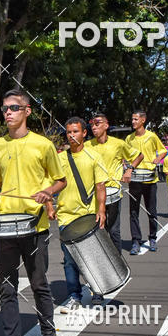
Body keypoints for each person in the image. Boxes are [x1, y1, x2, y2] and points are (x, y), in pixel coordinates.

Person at [0, 88, 66, 336]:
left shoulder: (43, 145)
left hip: (34, 225)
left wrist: (47, 192)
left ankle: (48, 331)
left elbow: (60, 180)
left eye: (14, 107)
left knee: (39, 283)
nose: (8, 113)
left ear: (27, 111)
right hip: (4, 225)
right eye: (5, 109)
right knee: (7, 286)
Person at [57, 117, 106, 312]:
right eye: (69, 132)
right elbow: (51, 184)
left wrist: (101, 210)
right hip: (65, 216)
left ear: (84, 133)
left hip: (88, 215)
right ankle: (74, 296)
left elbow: (100, 186)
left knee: (92, 256)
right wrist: (49, 206)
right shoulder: (60, 158)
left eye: (75, 131)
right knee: (70, 259)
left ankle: (97, 290)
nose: (72, 135)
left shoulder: (94, 156)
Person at [85, 112, 143, 253]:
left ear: (106, 125)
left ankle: (118, 260)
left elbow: (139, 156)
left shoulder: (118, 144)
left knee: (114, 230)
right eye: (92, 124)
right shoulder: (86, 146)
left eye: (97, 123)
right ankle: (103, 261)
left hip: (113, 191)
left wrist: (129, 170)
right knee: (98, 230)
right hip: (95, 194)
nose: (94, 127)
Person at [126, 111, 167, 254]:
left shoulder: (152, 136)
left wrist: (158, 158)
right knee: (133, 212)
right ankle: (135, 241)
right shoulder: (129, 138)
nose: (133, 121)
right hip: (135, 179)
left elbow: (163, 151)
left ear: (143, 120)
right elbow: (125, 155)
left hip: (150, 179)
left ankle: (153, 238)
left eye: (135, 119)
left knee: (151, 211)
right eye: (132, 119)